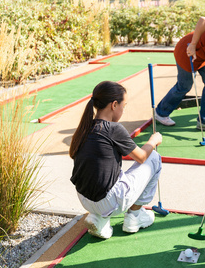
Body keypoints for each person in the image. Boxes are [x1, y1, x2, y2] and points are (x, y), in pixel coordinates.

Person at [69, 81, 163, 239]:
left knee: (111, 173)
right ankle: (134, 216)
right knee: (154, 158)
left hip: (84, 199)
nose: (123, 110)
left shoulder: (85, 126)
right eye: (123, 106)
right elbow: (141, 157)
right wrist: (153, 141)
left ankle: (100, 218)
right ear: (114, 105)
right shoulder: (114, 129)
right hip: (108, 201)